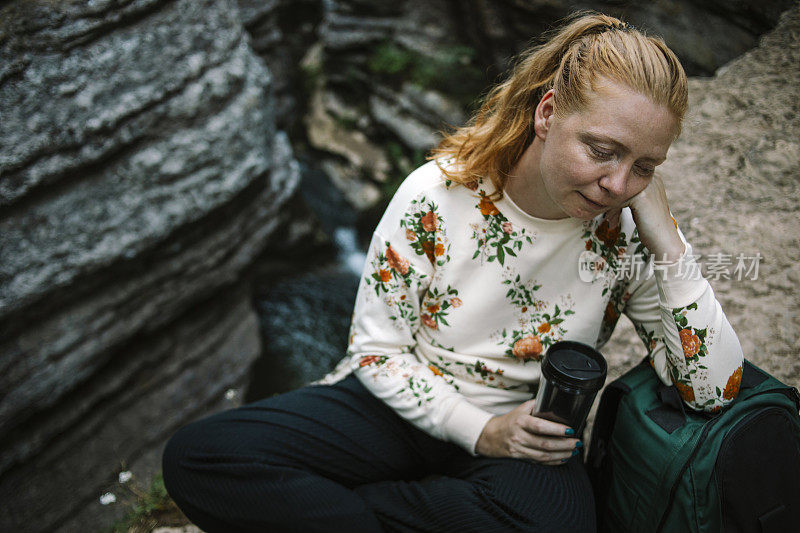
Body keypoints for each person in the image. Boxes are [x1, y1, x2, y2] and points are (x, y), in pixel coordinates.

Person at [162, 11, 744, 532]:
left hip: (530, 433)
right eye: (601, 150)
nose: (618, 184)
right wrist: (479, 431)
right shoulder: (437, 195)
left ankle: (349, 510)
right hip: (402, 402)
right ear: (547, 113)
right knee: (203, 456)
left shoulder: (629, 232)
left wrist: (668, 243)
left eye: (644, 167)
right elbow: (376, 351)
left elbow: (713, 389)